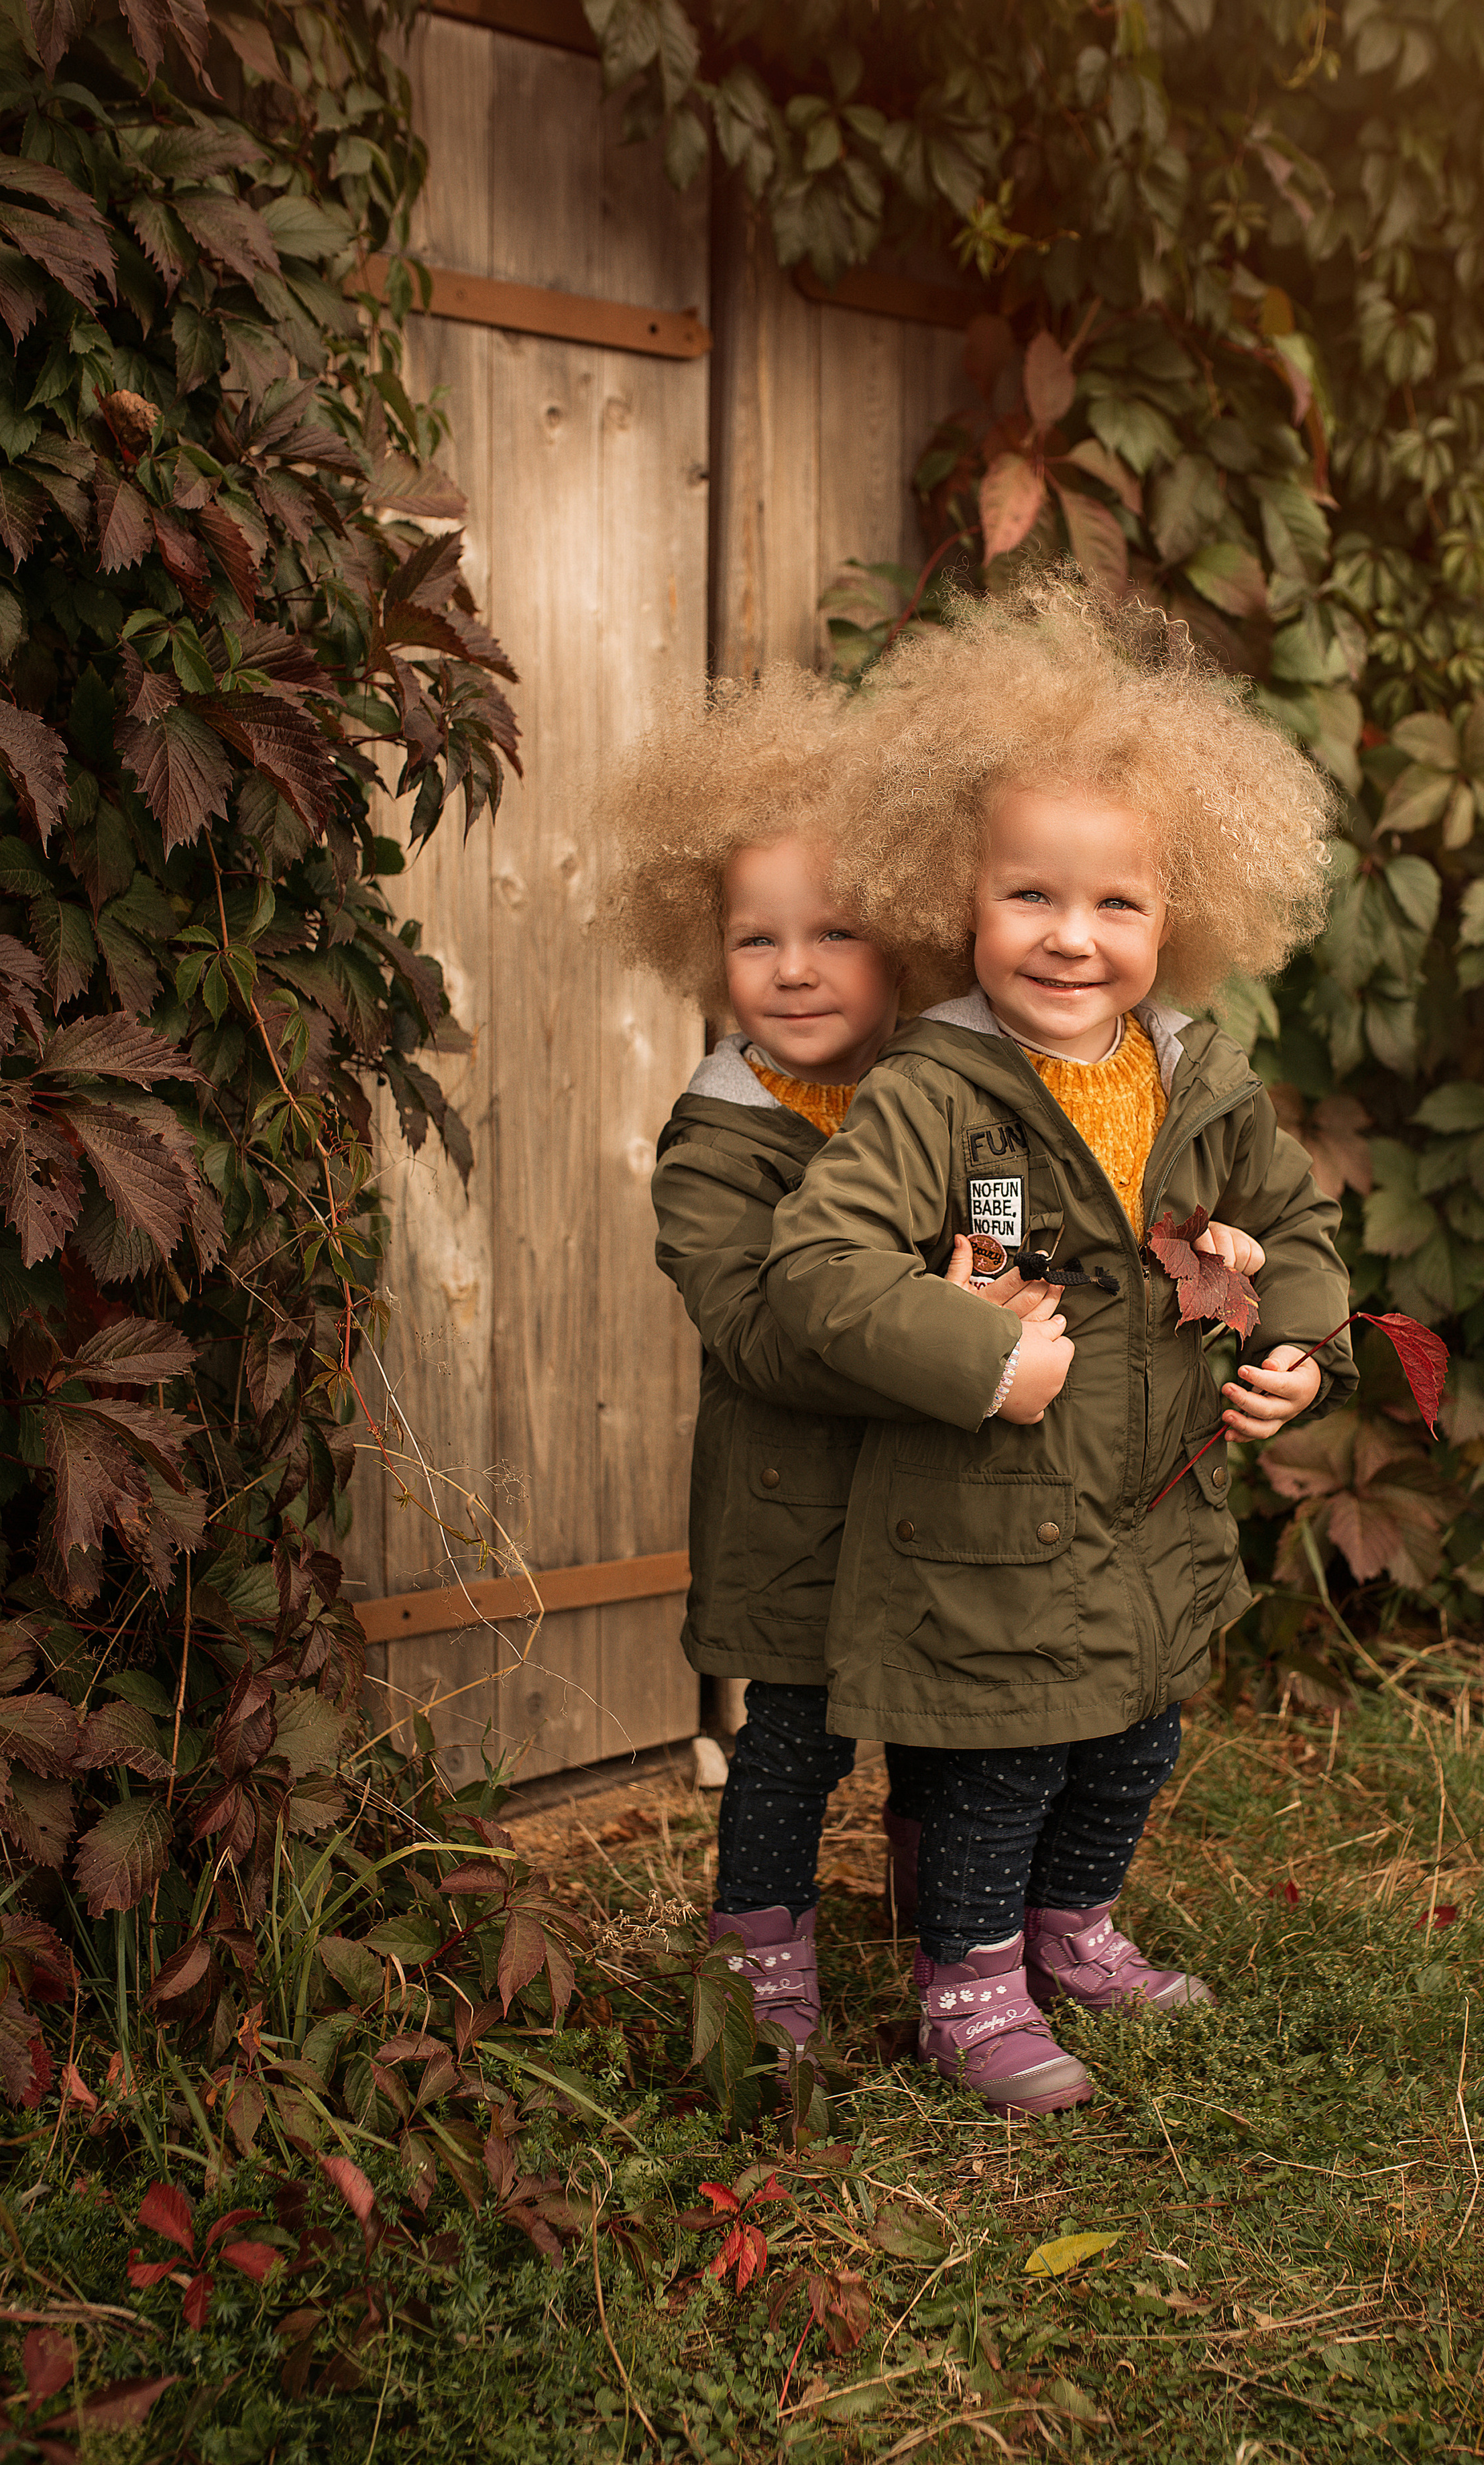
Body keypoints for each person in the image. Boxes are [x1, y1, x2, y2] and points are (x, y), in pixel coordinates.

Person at [760, 578, 1356, 2115]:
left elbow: (1290, 1232)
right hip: (987, 1524)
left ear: (1184, 914)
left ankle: (1070, 1929)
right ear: (955, 897)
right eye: (1029, 896)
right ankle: (964, 1979)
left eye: (1116, 905)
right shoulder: (935, 1093)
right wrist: (973, 1352)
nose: (1071, 938)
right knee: (998, 1760)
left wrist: (1290, 1343)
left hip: (1149, 1513)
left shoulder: (1200, 1082)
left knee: (1129, 1745)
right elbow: (816, 1266)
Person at [605, 668, 1053, 2061]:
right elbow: (759, 1330)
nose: (791, 968)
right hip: (792, 1505)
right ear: (708, 951)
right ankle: (758, 1958)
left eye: (834, 931)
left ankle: (945, 1930)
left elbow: (1000, 1201)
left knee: (934, 1717)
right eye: (755, 939)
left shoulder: (940, 1091)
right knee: (790, 1743)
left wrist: (997, 1264)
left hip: (928, 1498)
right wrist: (953, 1349)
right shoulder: (719, 1137)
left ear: (908, 941)